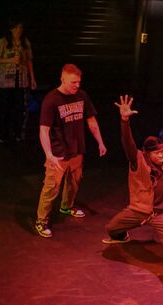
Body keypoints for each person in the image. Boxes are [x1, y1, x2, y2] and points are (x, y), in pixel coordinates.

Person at [102, 94, 163, 290]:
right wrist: (124, 121)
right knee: (111, 228)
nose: (162, 155)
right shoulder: (137, 160)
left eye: (162, 151)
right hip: (140, 210)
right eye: (157, 153)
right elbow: (127, 142)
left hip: (162, 214)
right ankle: (121, 236)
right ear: (147, 153)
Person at [34, 64, 106, 238]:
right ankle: (41, 221)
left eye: (79, 82)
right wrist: (49, 155)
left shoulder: (82, 96)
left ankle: (66, 206)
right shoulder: (51, 100)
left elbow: (92, 121)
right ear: (63, 79)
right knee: (51, 187)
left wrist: (100, 142)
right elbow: (43, 130)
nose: (77, 86)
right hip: (58, 153)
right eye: (73, 82)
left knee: (74, 182)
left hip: (77, 150)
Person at [0, 18, 36, 143]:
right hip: (6, 82)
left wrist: (32, 78)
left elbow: (29, 61)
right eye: (17, 27)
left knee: (19, 109)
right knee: (4, 110)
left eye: (21, 28)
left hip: (21, 81)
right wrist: (10, 60)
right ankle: (3, 135)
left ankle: (18, 133)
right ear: (11, 29)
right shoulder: (2, 41)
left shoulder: (25, 42)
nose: (19, 30)